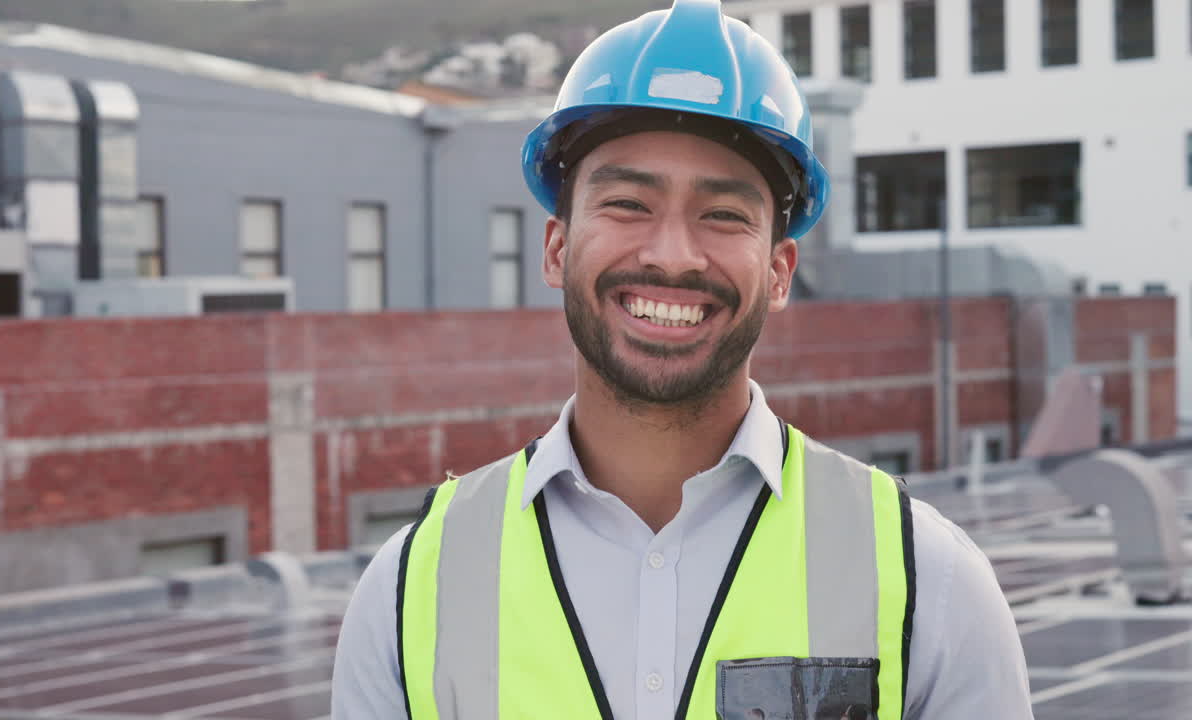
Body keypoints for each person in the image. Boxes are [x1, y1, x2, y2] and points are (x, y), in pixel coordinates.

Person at [331, 0, 1034, 718]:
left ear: (781, 270)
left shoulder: (931, 585)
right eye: (629, 204)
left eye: (724, 214)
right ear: (556, 248)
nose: (672, 255)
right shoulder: (411, 589)